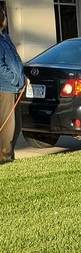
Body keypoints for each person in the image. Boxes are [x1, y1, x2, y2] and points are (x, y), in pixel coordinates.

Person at [0, 9, 25, 164]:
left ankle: (10, 156)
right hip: (5, 88)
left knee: (17, 126)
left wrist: (23, 77)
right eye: (4, 15)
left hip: (15, 87)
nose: (6, 18)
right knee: (7, 127)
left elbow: (14, 61)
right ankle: (4, 158)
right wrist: (16, 79)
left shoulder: (5, 37)